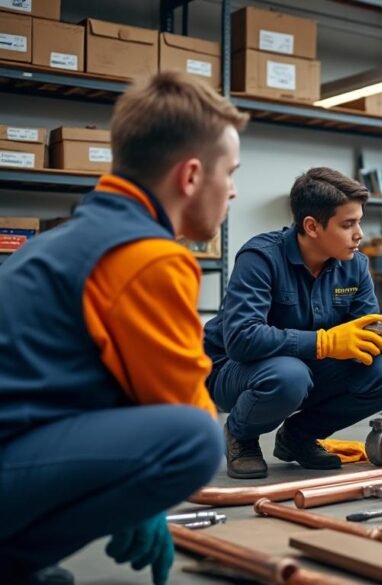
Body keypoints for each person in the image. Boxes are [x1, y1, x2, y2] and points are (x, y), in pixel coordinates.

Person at [0, 72, 245, 584]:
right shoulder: (147, 257)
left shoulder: (60, 243)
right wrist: (142, 497)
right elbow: (182, 408)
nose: (234, 191)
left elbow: (86, 386)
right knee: (196, 439)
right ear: (191, 176)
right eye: (230, 172)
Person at [204, 167, 382, 479]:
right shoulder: (260, 258)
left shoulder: (355, 265)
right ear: (312, 226)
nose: (359, 234)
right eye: (348, 224)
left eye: (359, 222)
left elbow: (362, 333)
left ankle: (298, 437)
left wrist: (373, 340)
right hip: (235, 370)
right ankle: (241, 435)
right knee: (289, 375)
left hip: (305, 368)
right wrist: (323, 343)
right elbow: (242, 339)